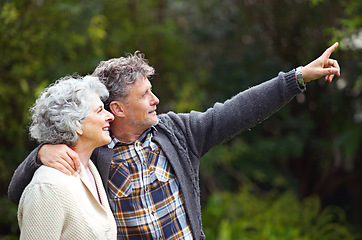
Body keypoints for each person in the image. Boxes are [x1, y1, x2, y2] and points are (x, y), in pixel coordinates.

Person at [9, 43, 340, 239]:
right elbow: (22, 191)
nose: (156, 99)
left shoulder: (179, 133)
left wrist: (295, 78)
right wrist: (40, 154)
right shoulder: (93, 154)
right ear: (117, 108)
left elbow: (238, 111)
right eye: (144, 94)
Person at [16, 75, 117, 239]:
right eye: (99, 110)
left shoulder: (92, 169)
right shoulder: (47, 186)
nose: (110, 116)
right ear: (76, 123)